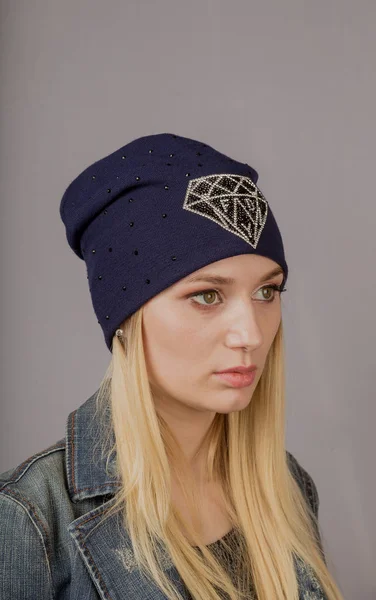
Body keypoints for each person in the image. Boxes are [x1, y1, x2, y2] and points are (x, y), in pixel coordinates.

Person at [0, 133, 344, 600]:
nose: (252, 335)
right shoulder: (29, 519)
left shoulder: (286, 487)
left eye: (267, 291)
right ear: (126, 317)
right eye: (207, 295)